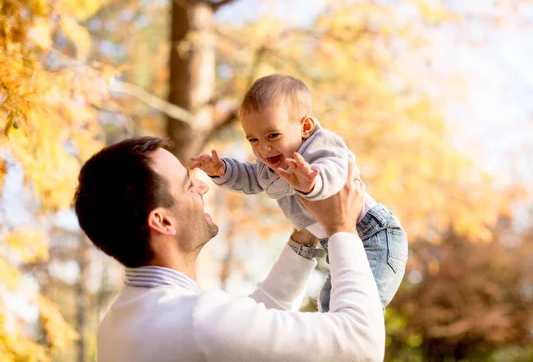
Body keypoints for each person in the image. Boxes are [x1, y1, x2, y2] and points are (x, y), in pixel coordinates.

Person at [74, 136, 385, 362]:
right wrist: (341, 227)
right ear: (162, 221)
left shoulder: (119, 322)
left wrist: (305, 232)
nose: (203, 185)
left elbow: (245, 331)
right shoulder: (197, 322)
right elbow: (361, 344)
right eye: (187, 185)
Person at [191, 73, 408, 312]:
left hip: (374, 237)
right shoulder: (269, 163)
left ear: (305, 127)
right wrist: (222, 170)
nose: (263, 148)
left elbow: (336, 171)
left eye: (273, 135)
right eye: (253, 139)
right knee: (329, 305)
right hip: (336, 242)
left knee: (355, 309)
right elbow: (251, 178)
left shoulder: (321, 145)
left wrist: (311, 184)